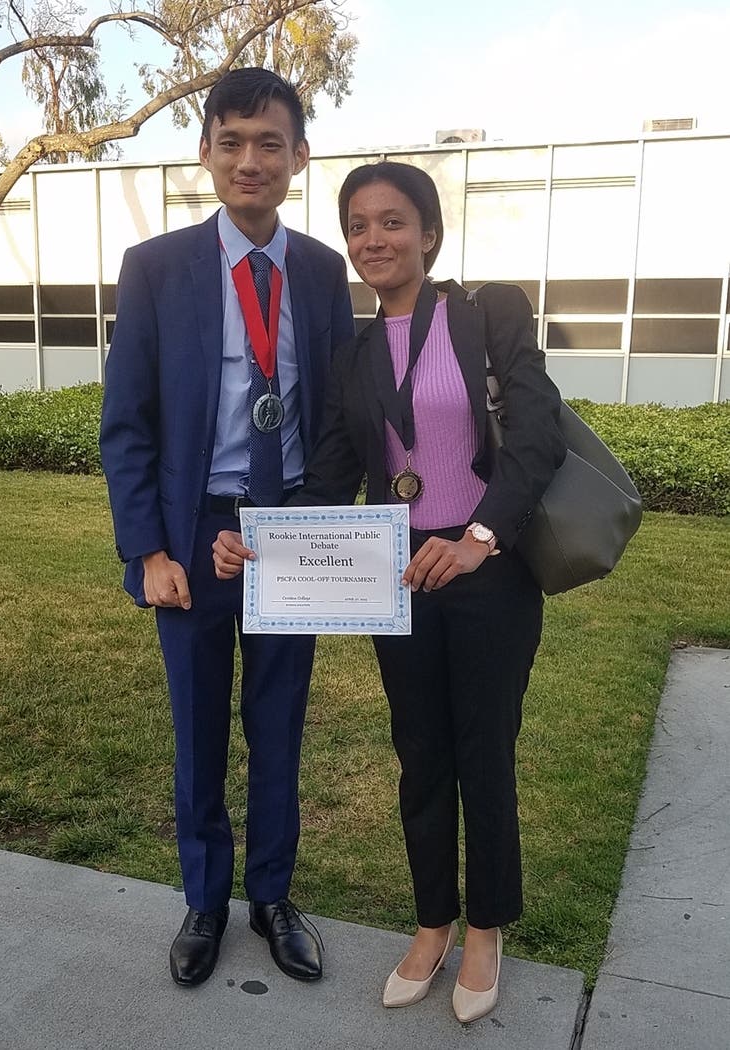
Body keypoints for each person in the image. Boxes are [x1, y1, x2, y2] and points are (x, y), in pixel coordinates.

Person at [213, 161, 566, 1022]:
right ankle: (433, 922)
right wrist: (262, 537)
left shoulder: (491, 313)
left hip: (487, 571)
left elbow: (538, 432)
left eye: (394, 222)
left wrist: (481, 537)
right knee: (420, 754)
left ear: (429, 234)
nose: (376, 239)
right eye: (360, 226)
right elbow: (333, 472)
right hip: (391, 572)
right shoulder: (355, 355)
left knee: (484, 751)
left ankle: (484, 930)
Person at [99, 67, 354, 989]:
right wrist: (150, 548)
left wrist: (307, 526)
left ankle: (275, 898)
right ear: (205, 150)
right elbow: (126, 422)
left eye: (271, 143)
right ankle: (205, 900)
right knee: (199, 724)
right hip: (192, 529)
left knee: (278, 720)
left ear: (299, 157)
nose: (252, 161)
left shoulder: (323, 273)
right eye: (233, 141)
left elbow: (338, 420)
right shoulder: (157, 268)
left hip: (286, 526)